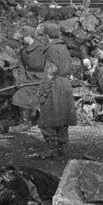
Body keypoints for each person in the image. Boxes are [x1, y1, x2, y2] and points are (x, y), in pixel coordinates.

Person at [36, 22, 76, 158]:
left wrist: (42, 92)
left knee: (48, 118)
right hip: (65, 84)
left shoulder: (52, 50)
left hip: (55, 86)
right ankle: (63, 147)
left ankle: (51, 148)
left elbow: (50, 72)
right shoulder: (63, 47)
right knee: (62, 118)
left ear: (46, 35)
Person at [9, 25, 47, 133]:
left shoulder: (41, 49)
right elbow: (21, 68)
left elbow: (49, 66)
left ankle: (39, 121)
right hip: (28, 79)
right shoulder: (23, 51)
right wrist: (20, 79)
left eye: (23, 37)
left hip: (41, 79)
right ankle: (25, 123)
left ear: (29, 36)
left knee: (30, 95)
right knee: (20, 93)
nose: (21, 40)